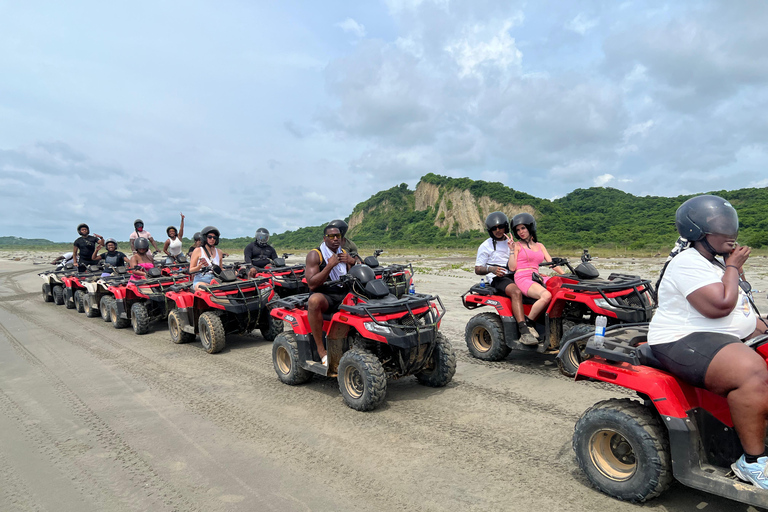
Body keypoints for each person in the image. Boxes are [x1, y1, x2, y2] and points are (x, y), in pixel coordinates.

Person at [648, 195, 768, 489]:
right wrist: (734, 267)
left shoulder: (714, 263)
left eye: (730, 225)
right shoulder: (687, 262)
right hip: (680, 339)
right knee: (752, 372)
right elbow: (719, 306)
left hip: (718, 336)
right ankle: (753, 462)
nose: (730, 233)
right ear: (697, 232)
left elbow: (741, 307)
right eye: (720, 226)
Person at [475, 212, 538, 345]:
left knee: (540, 290)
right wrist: (491, 269)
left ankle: (536, 324)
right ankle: (524, 331)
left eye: (500, 227)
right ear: (490, 231)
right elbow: (477, 269)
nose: (498, 231)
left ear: (506, 227)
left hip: (516, 275)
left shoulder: (512, 243)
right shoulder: (486, 246)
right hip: (498, 278)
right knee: (516, 292)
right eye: (494, 228)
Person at [305, 224, 357, 365]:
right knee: (314, 301)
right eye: (331, 236)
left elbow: (362, 270)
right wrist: (329, 266)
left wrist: (353, 262)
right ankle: (322, 351)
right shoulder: (316, 255)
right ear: (324, 238)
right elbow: (312, 284)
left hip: (345, 293)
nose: (335, 239)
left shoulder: (345, 253)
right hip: (326, 295)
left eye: (338, 236)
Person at [508, 213, 565, 329]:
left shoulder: (540, 246)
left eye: (523, 228)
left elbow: (552, 264)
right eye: (518, 230)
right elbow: (512, 268)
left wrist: (566, 275)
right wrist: (511, 250)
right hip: (522, 277)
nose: (521, 232)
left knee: (563, 287)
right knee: (546, 296)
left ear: (530, 227)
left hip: (536, 276)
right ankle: (529, 322)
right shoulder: (517, 246)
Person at [189, 226, 224, 291]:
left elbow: (221, 268)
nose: (212, 239)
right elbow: (191, 270)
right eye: (210, 237)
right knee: (205, 289)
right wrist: (198, 267)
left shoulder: (219, 252)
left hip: (215, 279)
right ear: (205, 238)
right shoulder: (198, 250)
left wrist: (232, 272)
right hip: (201, 280)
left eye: (214, 237)